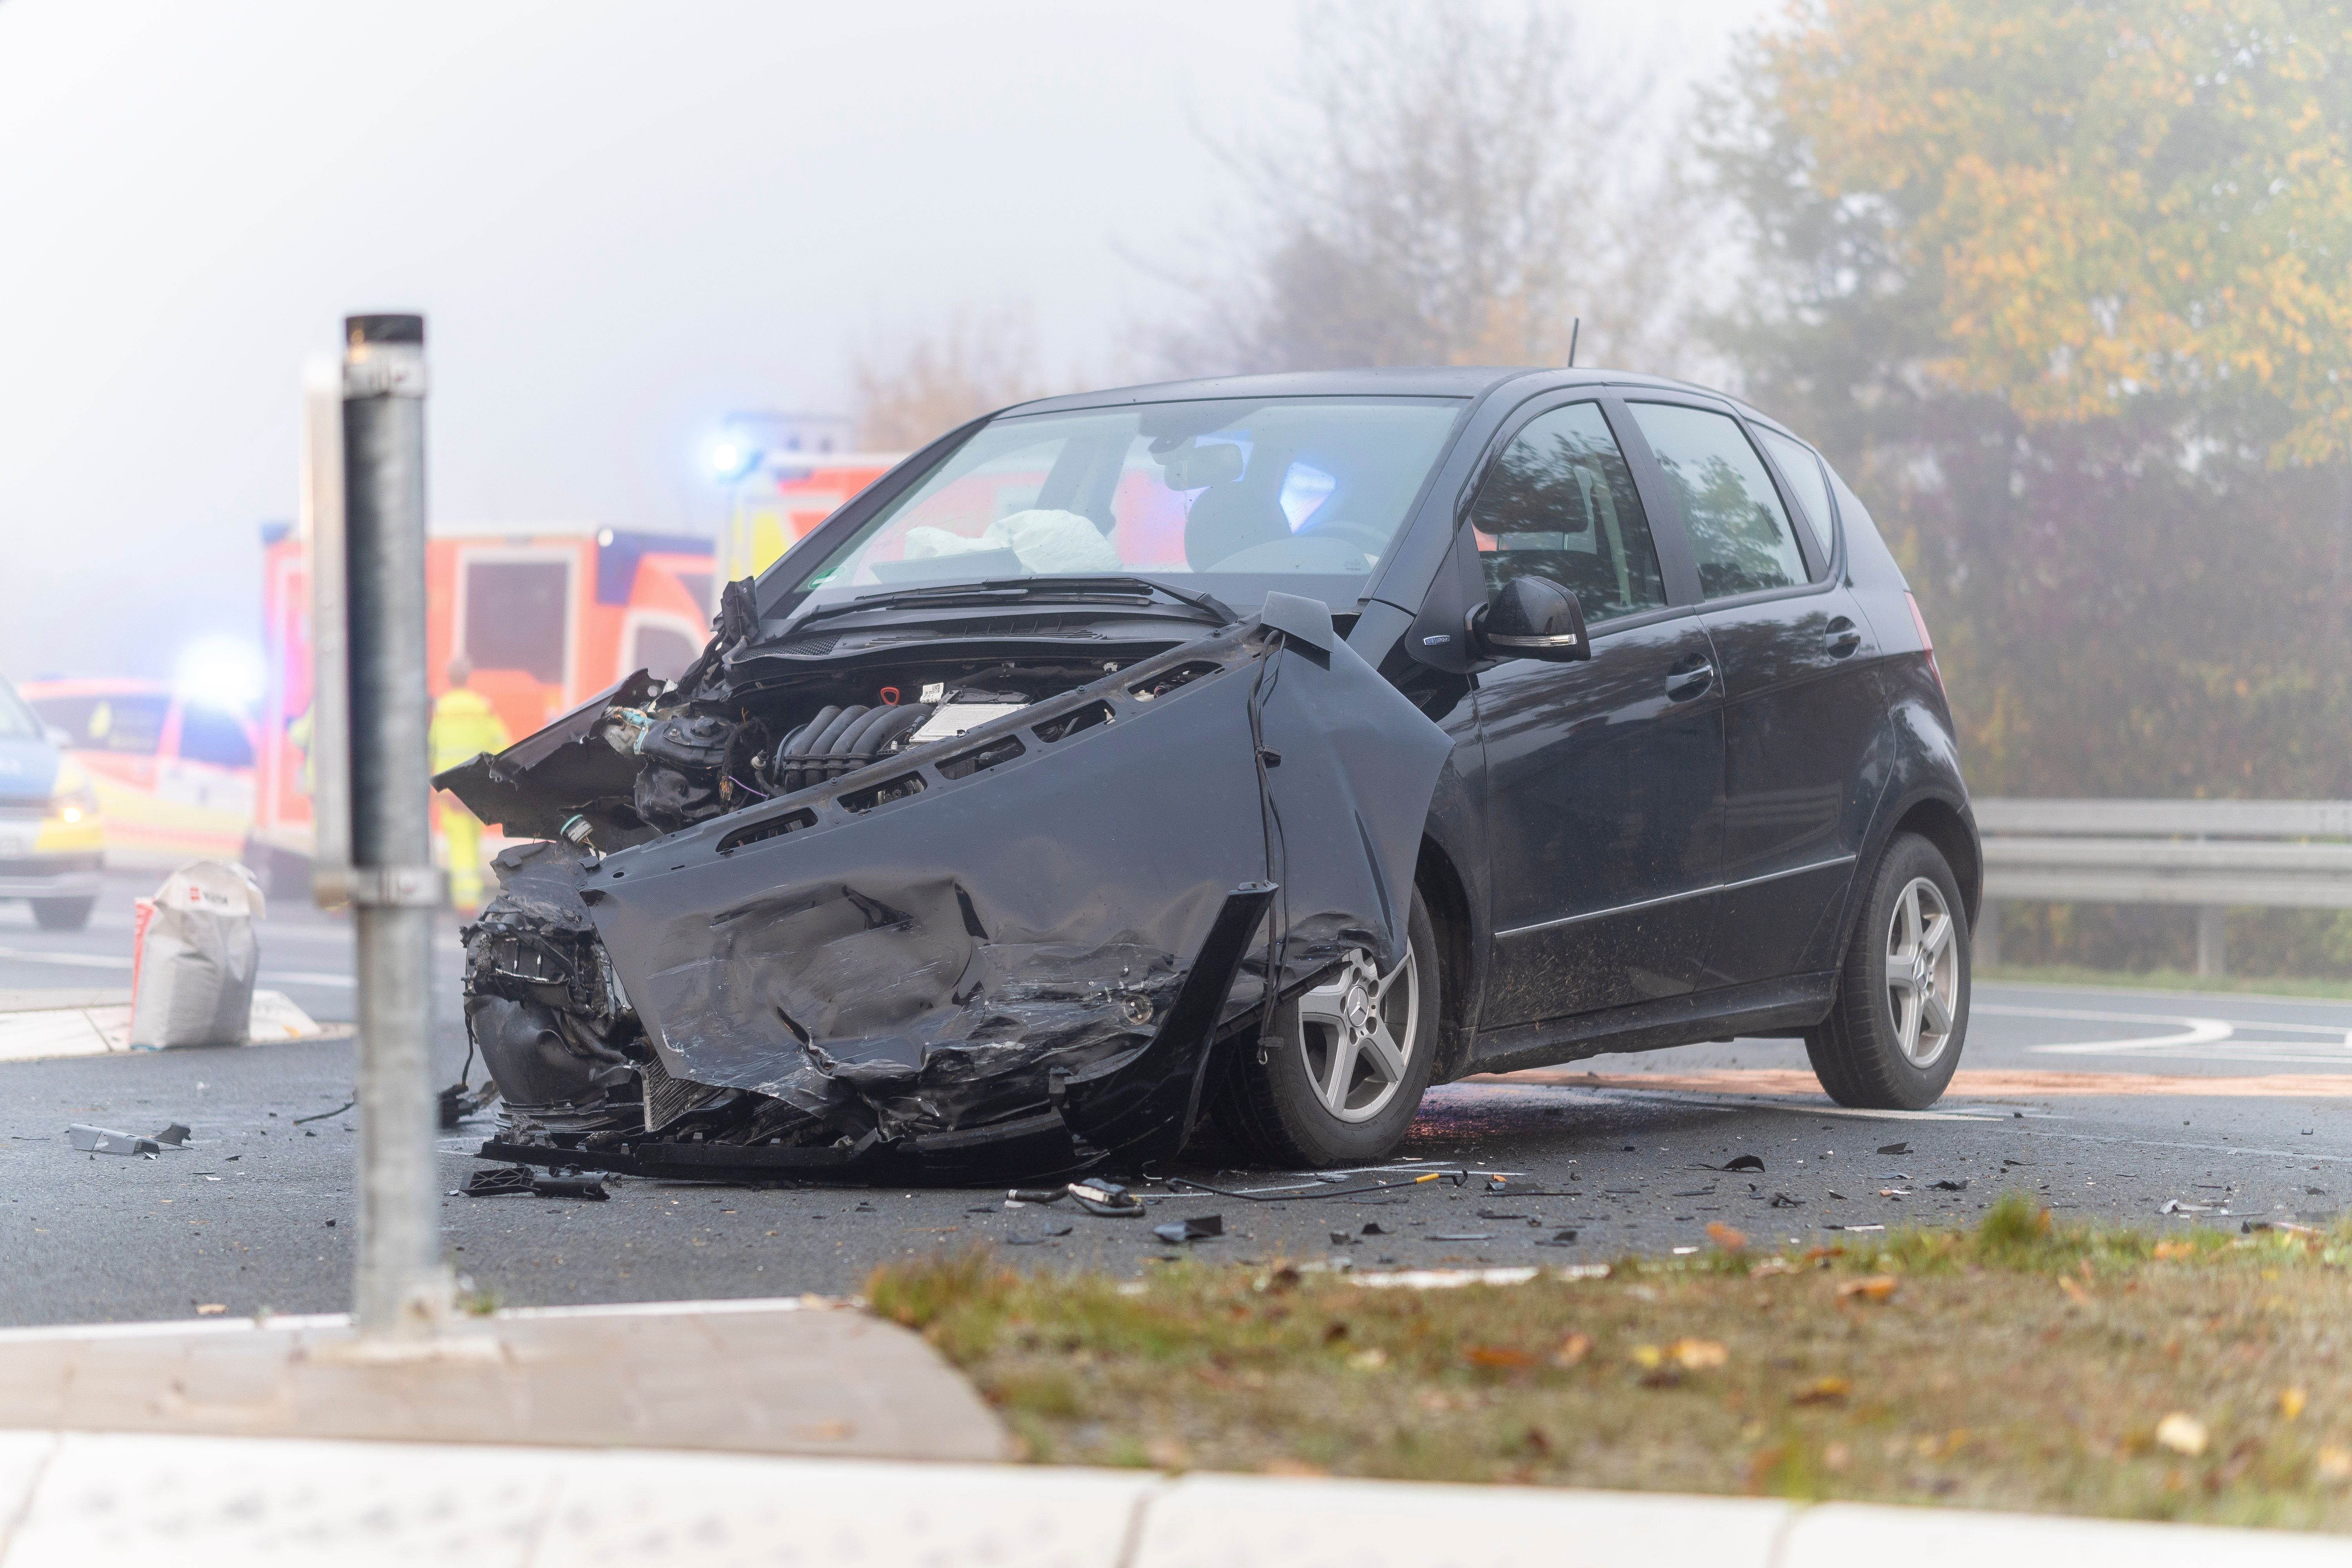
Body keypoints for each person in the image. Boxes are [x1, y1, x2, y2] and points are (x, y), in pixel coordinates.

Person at [429, 655, 510, 913]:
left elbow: (431, 747)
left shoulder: (440, 709)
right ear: (468, 676)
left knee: (459, 844)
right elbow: (502, 743)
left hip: (449, 788)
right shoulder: (482, 707)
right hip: (477, 787)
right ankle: (471, 897)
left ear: (449, 678)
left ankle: (465, 900)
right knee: (473, 842)